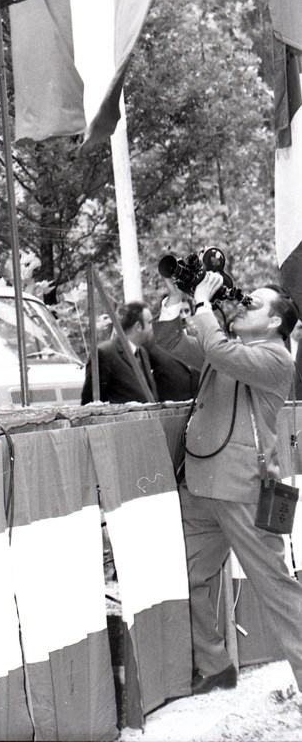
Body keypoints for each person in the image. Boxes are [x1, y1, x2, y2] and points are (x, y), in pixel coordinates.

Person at [154, 272, 302, 696]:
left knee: (277, 592)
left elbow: (218, 350)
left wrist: (203, 304)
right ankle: (215, 664)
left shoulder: (276, 359)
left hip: (243, 491)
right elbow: (169, 341)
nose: (242, 305)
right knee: (185, 575)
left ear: (275, 322)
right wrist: (175, 300)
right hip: (203, 485)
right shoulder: (228, 350)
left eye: (253, 304)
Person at [80, 300, 157, 405]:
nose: (152, 327)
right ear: (138, 326)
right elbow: (90, 402)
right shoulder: (105, 354)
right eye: (149, 323)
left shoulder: (142, 353)